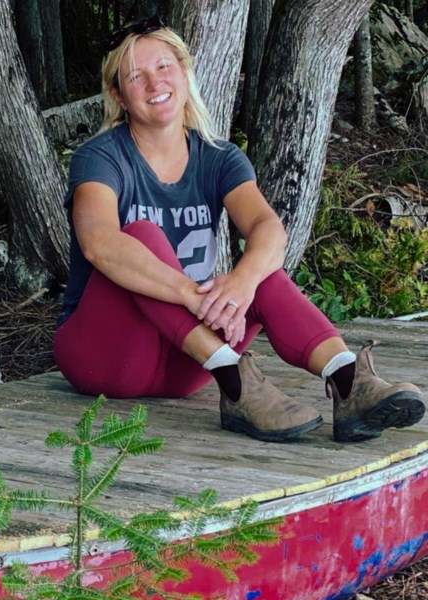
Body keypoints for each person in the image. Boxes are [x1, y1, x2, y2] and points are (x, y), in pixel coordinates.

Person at [53, 17, 426, 443]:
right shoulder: (100, 158)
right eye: (136, 76)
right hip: (104, 355)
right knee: (139, 235)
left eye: (163, 66)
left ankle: (348, 382)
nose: (154, 82)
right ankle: (236, 378)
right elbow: (99, 243)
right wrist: (196, 296)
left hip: (189, 360)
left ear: (184, 71)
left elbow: (268, 227)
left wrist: (242, 283)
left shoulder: (219, 157)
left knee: (261, 267)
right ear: (119, 95)